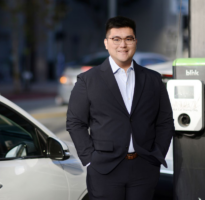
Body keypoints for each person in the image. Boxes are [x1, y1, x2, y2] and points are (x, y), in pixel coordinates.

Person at [66, 16, 174, 200]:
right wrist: (90, 159)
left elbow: (164, 121)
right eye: (116, 39)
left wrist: (157, 155)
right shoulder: (88, 80)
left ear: (135, 42)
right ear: (106, 43)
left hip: (144, 168)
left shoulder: (153, 79)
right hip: (104, 170)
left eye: (128, 39)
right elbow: (75, 122)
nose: (122, 44)